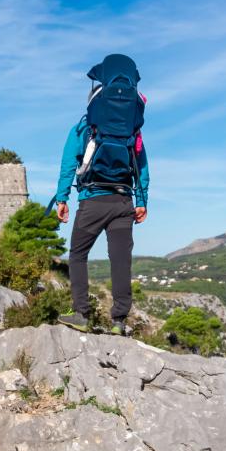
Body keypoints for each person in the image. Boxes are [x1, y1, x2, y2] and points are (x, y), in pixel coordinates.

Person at [53, 55, 150, 335]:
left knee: (78, 254)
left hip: (92, 201)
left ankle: (81, 314)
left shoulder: (85, 126)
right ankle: (119, 321)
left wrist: (62, 199)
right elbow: (142, 167)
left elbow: (68, 163)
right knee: (120, 261)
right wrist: (142, 202)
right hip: (123, 202)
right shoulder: (133, 130)